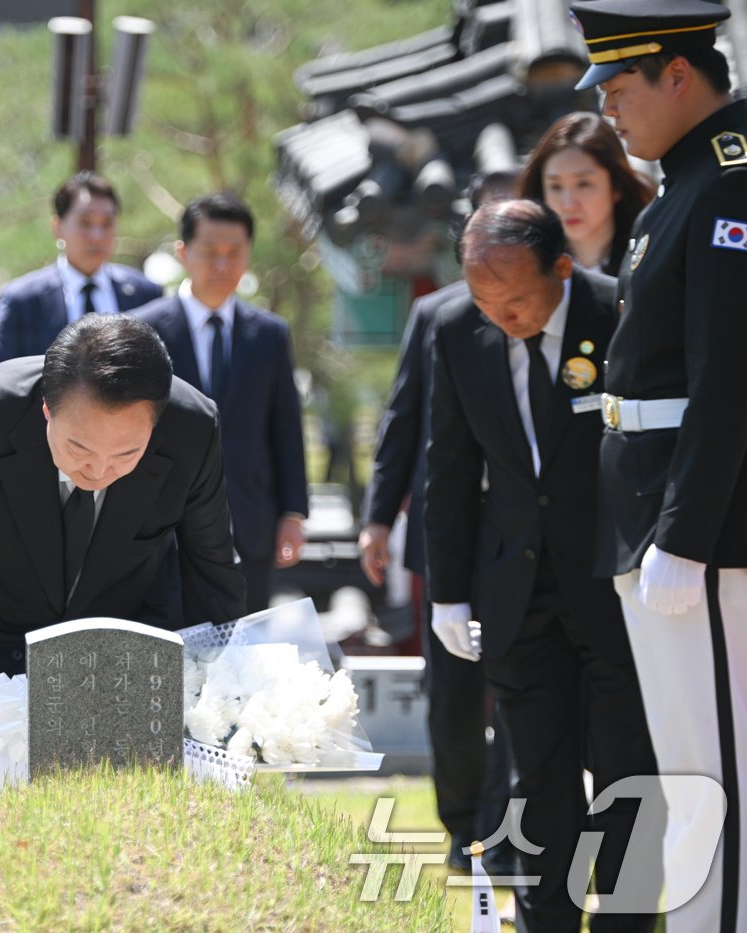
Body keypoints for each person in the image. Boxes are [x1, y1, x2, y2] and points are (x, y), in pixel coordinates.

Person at [0, 314, 246, 802]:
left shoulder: (194, 426)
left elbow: (211, 567)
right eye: (79, 448)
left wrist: (225, 694)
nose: (100, 469)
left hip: (115, 649)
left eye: (126, 455)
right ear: (46, 408)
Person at [425, 200, 659, 931]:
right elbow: (450, 471)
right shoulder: (456, 330)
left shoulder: (618, 307)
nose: (502, 315)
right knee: (538, 779)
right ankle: (543, 918)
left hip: (615, 583)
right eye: (485, 300)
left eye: (517, 298)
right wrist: (449, 594)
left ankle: (625, 920)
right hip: (516, 590)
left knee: (628, 772)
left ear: (561, 266)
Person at [571, 1, 747, 927]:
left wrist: (683, 534)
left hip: (701, 534)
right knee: (691, 777)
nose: (605, 104)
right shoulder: (683, 184)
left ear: (679, 74)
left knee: (716, 779)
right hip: (654, 519)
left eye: (618, 82)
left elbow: (730, 378)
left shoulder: (729, 183)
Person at [359, 170, 518, 873]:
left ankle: (506, 819)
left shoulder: (559, 312)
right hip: (443, 528)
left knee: (523, 682)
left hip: (523, 538)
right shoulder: (438, 314)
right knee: (452, 687)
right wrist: (375, 519)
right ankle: (461, 823)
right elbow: (401, 423)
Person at [131, 192, 308, 613]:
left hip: (249, 520)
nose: (223, 265)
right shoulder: (144, 330)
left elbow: (285, 427)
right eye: (210, 252)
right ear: (183, 252)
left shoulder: (269, 334)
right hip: (161, 524)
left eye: (235, 252)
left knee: (245, 654)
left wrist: (293, 513)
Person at [0, 172, 162, 368]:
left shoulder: (145, 295)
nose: (97, 236)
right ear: (58, 227)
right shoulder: (23, 300)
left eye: (107, 223)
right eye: (85, 223)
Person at [517, 111, 655, 273]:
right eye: (555, 186)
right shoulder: (529, 271)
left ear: (616, 186)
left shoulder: (651, 259)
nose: (568, 204)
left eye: (583, 184)